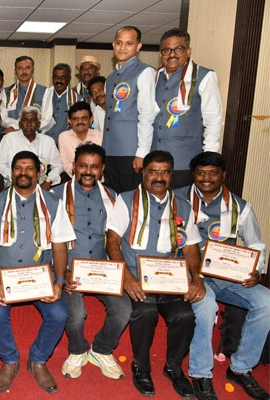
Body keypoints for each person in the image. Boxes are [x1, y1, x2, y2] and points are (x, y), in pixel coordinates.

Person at [106, 150, 204, 398]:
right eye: (153, 172)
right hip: (136, 277)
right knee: (146, 312)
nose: (159, 177)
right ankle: (141, 367)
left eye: (165, 172)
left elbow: (191, 247)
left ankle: (173, 367)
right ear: (143, 174)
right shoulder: (126, 200)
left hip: (169, 279)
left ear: (172, 176)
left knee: (185, 315)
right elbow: (112, 241)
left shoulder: (183, 205)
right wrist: (127, 278)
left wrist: (197, 278)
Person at [175, 152, 269, 400]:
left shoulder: (240, 207)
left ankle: (240, 368)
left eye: (213, 173)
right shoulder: (176, 199)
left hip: (225, 275)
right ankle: (201, 374)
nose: (206, 178)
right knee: (205, 305)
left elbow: (256, 244)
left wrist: (256, 271)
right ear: (193, 174)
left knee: (266, 302)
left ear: (223, 175)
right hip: (188, 273)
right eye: (200, 173)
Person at [0, 150, 74, 393]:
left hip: (40, 277)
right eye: (18, 168)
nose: (23, 173)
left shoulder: (54, 203)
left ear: (38, 173)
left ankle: (37, 360)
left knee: (58, 314)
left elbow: (59, 246)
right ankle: (9, 361)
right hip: (4, 276)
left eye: (29, 168)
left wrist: (58, 281)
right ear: (11, 172)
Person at [53, 144, 131, 381]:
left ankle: (101, 350)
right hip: (69, 268)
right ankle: (77, 350)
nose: (88, 171)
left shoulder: (114, 198)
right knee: (76, 314)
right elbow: (46, 241)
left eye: (94, 167)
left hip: (102, 269)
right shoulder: (55, 195)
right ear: (73, 167)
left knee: (123, 310)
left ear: (102, 169)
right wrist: (60, 272)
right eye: (83, 166)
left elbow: (119, 239)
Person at [152, 29, 223, 188]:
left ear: (188, 51)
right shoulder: (154, 77)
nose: (172, 54)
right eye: (166, 50)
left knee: (181, 202)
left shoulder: (204, 76)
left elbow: (213, 119)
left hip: (184, 161)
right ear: (160, 54)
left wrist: (208, 159)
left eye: (178, 49)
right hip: (154, 162)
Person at [102, 26, 157, 193]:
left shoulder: (145, 72)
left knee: (131, 198)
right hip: (110, 150)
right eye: (119, 43)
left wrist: (142, 152)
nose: (122, 48)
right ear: (113, 45)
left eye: (129, 43)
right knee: (112, 197)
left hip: (131, 152)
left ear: (138, 46)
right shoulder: (110, 78)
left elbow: (147, 114)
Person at [0, 106, 62, 190]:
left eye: (33, 120)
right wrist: (16, 177)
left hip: (41, 187)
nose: (29, 124)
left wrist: (49, 181)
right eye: (25, 120)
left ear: (39, 124)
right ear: (19, 124)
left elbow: (58, 166)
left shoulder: (48, 141)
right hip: (13, 185)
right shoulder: (8, 139)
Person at [0, 56, 52, 135]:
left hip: (35, 136)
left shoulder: (45, 92)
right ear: (15, 71)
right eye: (20, 68)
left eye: (27, 68)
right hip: (12, 135)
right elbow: (2, 117)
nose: (24, 71)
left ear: (33, 70)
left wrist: (27, 127)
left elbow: (47, 118)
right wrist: (16, 126)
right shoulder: (6, 92)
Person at [58, 102, 103, 177]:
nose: (80, 121)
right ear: (69, 121)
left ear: (91, 120)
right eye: (75, 119)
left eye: (84, 118)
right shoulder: (63, 137)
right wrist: (78, 172)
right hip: (74, 178)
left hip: (98, 179)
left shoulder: (100, 136)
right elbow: (65, 164)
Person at [42, 63, 80, 145]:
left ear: (69, 79)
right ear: (52, 78)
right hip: (44, 143)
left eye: (63, 77)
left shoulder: (78, 100)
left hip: (68, 144)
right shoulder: (43, 96)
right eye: (56, 77)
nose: (59, 80)